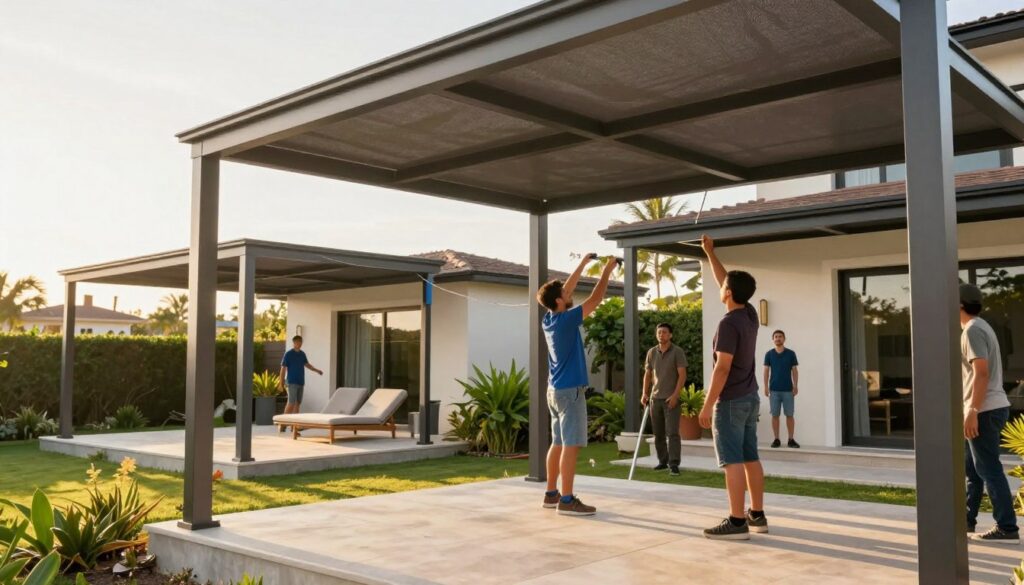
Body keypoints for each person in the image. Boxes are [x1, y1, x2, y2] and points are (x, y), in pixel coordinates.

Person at [697, 234, 767, 540]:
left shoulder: (728, 324)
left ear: (729, 293)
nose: (720, 286)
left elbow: (722, 367)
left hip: (730, 401)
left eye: (724, 286)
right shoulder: (749, 315)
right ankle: (757, 515)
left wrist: (706, 404)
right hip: (750, 398)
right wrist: (710, 252)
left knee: (732, 461)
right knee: (750, 456)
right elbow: (725, 279)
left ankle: (737, 522)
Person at [536, 253, 618, 516]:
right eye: (565, 293)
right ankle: (567, 500)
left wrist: (583, 263)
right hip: (570, 392)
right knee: (570, 445)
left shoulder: (549, 319)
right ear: (560, 300)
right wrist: (606, 269)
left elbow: (566, 289)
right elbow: (596, 299)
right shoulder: (567, 320)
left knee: (558, 443)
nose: (569, 292)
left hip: (554, 391)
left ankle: (551, 494)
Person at [960, 283, 1019, 543]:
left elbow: (981, 372)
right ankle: (965, 523)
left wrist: (973, 409)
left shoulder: (972, 330)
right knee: (973, 471)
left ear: (959, 305)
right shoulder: (980, 326)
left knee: (988, 469)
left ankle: (1007, 527)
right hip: (987, 407)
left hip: (983, 409)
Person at [642, 323, 688, 475]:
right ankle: (663, 461)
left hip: (671, 399)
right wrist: (644, 393)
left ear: (670, 335)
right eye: (659, 332)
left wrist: (675, 395)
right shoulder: (651, 352)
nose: (661, 335)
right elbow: (648, 375)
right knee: (658, 433)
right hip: (655, 399)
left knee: (672, 433)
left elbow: (682, 375)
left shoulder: (677, 352)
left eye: (664, 332)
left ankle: (674, 464)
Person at [763, 330, 799, 449]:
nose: (778, 338)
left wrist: (795, 385)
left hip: (788, 390)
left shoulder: (791, 354)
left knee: (789, 415)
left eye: (780, 337)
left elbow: (794, 370)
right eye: (776, 337)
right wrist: (765, 387)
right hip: (774, 390)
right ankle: (776, 439)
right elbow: (766, 371)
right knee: (775, 415)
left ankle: (791, 439)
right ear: (773, 339)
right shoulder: (769, 354)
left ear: (784, 339)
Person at [278, 335, 323, 428]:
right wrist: (281, 382)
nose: (299, 344)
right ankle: (282, 424)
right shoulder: (288, 354)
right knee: (291, 403)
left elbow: (307, 364)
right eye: (297, 342)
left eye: (300, 342)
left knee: (297, 404)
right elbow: (283, 368)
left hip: (300, 382)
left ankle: (295, 426)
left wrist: (317, 370)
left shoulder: (302, 354)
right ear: (294, 343)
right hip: (291, 382)